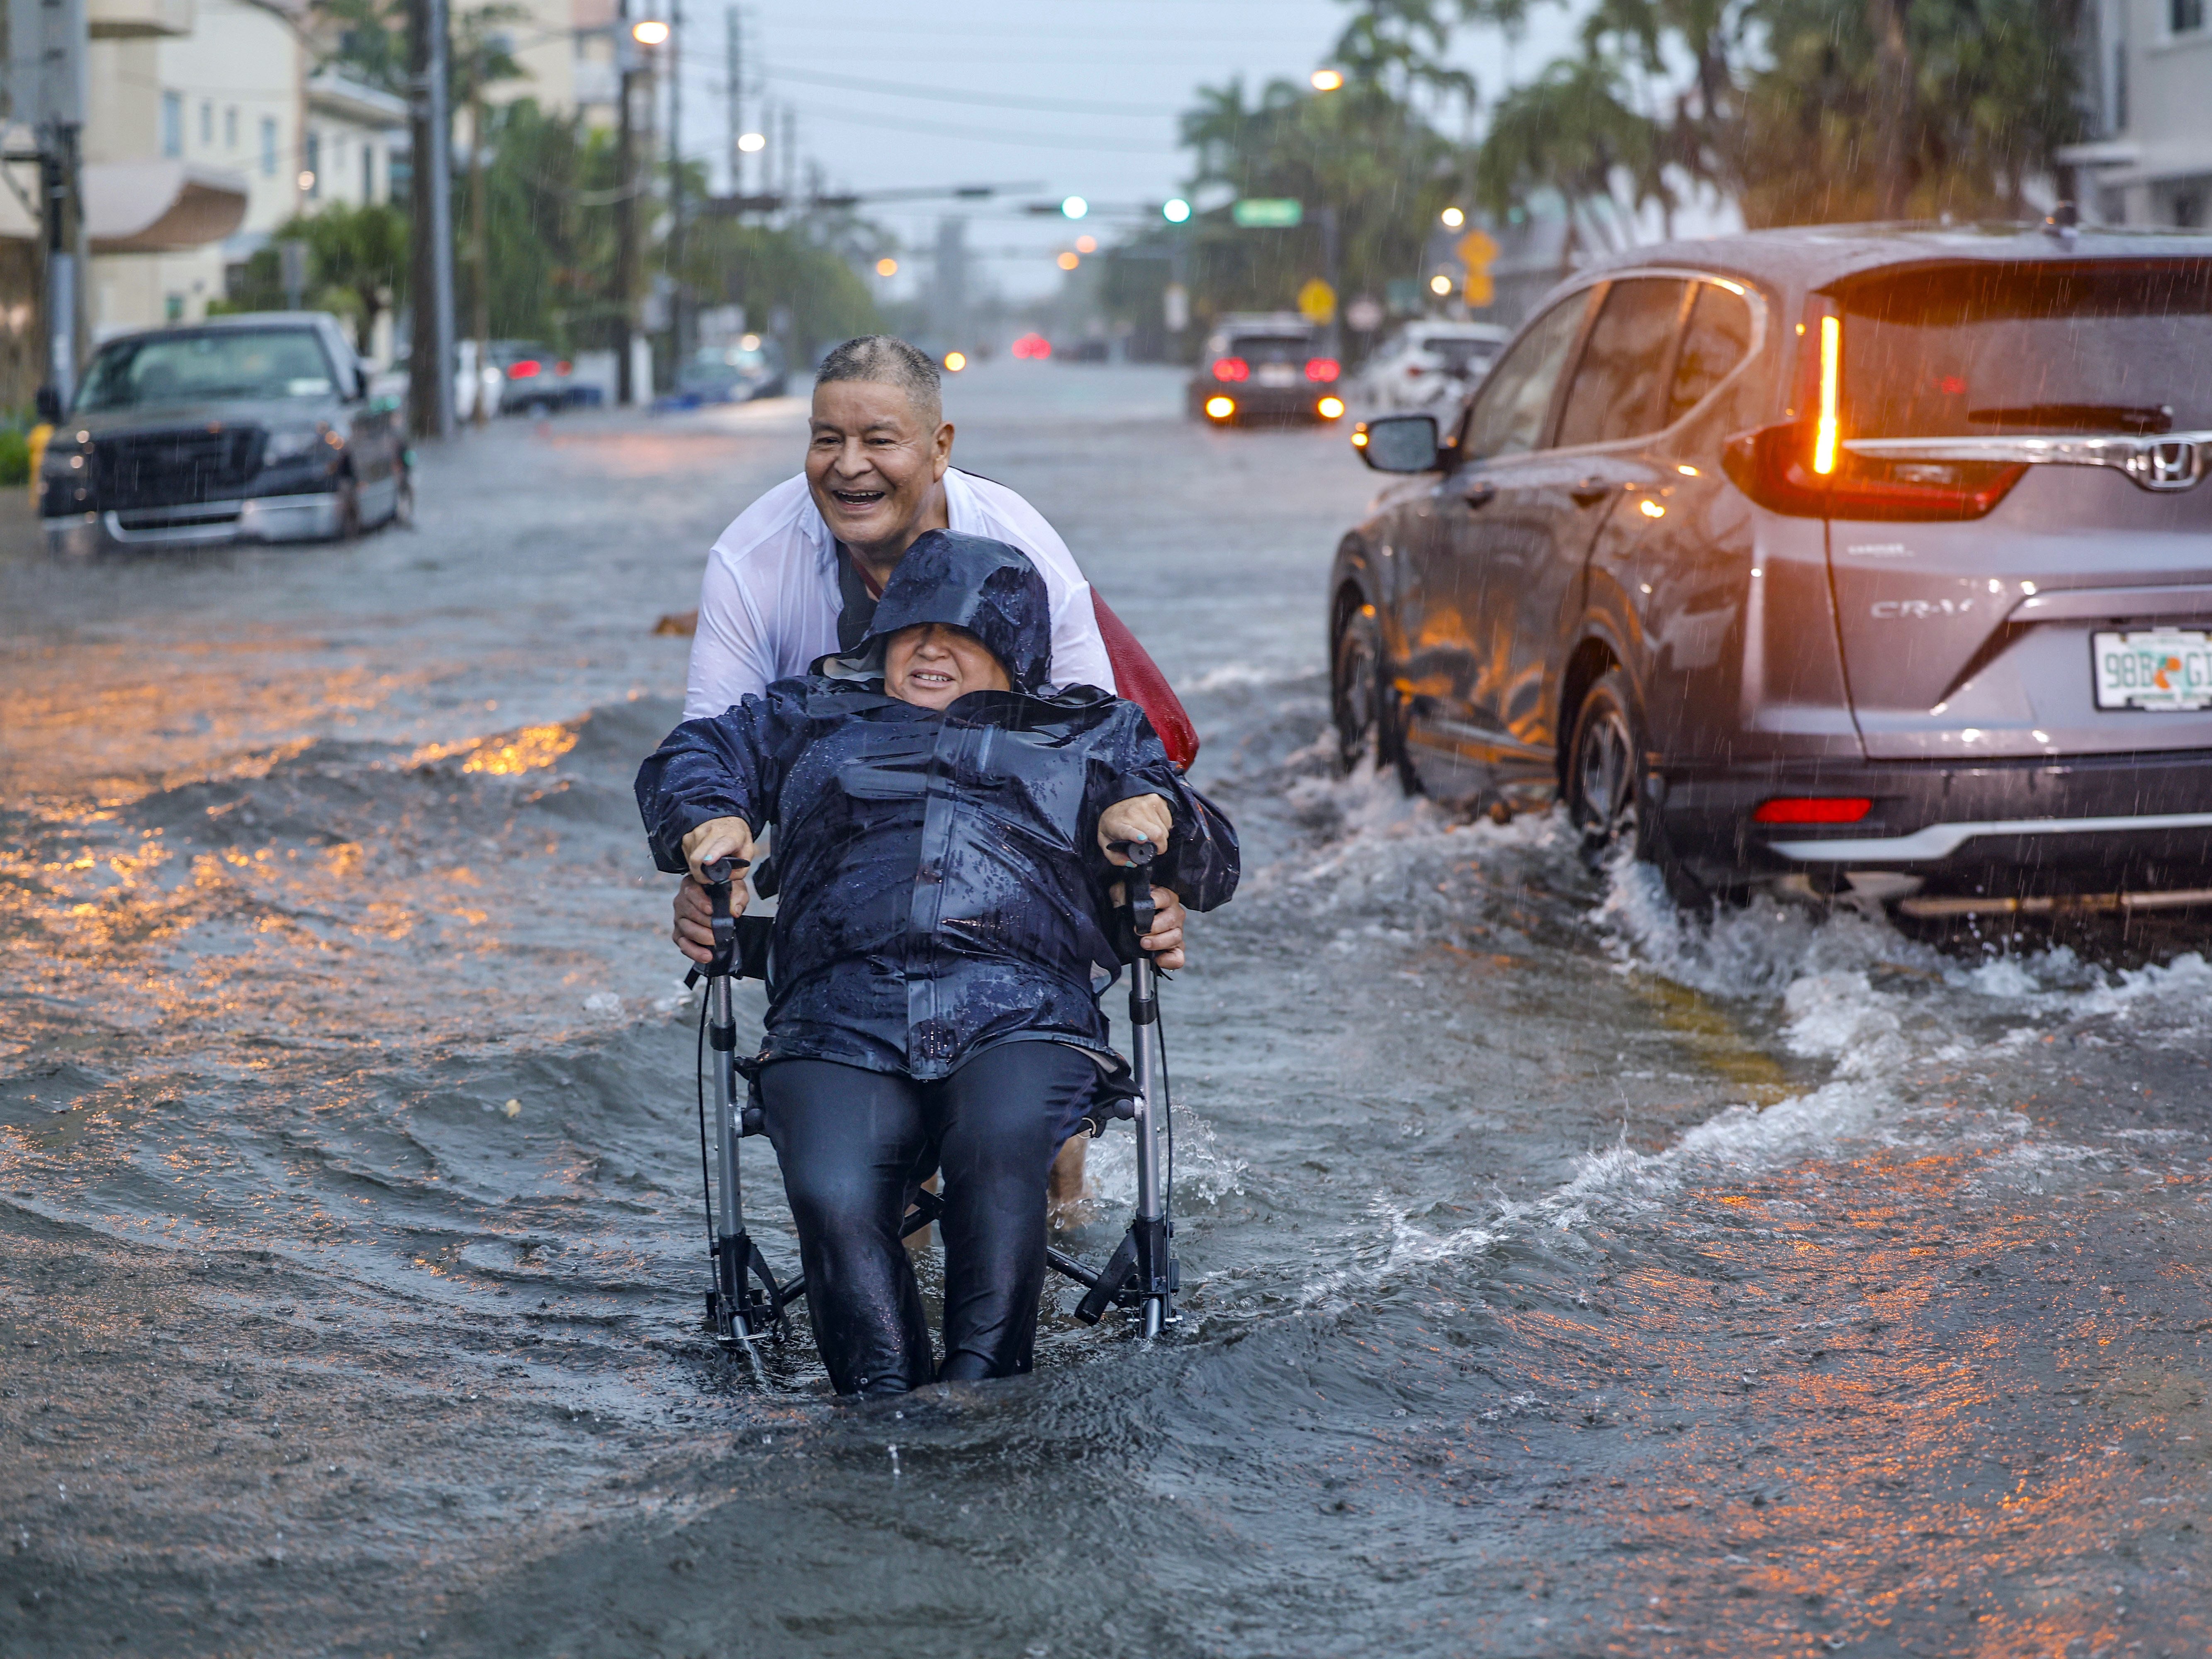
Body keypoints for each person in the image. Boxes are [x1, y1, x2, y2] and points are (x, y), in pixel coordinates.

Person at [635, 532, 1237, 1395]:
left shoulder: (1094, 732)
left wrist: (1158, 810)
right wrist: (707, 818)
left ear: (1017, 649)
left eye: (961, 634)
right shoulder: (809, 712)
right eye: (910, 630)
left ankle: (981, 1400)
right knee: (835, 1188)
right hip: (836, 1014)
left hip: (1023, 1012)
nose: (927, 649)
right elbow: (691, 756)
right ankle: (881, 1411)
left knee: (999, 1153)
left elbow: (1218, 866)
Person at [666, 333, 1196, 1210]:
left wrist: (1139, 880)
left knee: (1036, 1146)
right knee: (881, 1163)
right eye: (826, 440)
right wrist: (707, 859)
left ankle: (1053, 1204)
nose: (849, 467)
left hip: (1013, 869)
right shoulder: (753, 560)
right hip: (852, 849)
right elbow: (712, 750)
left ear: (941, 447)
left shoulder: (1018, 547)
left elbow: (1100, 747)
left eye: (880, 440)